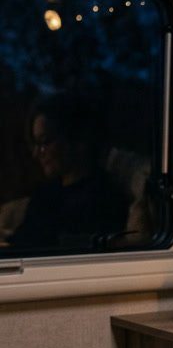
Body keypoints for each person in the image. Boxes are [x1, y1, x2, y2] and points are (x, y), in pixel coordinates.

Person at [7, 92, 129, 254]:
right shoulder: (46, 193)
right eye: (35, 144)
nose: (37, 154)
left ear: (77, 140)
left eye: (45, 142)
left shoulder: (103, 198)